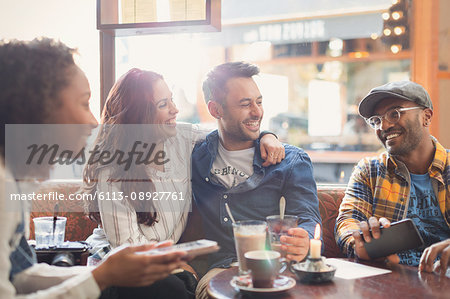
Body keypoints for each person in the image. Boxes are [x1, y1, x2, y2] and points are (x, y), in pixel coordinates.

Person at [0, 38, 190, 298]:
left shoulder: (15, 181)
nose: (92, 121)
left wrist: (103, 275)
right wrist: (102, 276)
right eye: (84, 102)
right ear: (37, 108)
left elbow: (20, 276)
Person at [81, 68, 284, 294]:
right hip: (116, 264)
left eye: (172, 100)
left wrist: (267, 135)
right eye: (163, 105)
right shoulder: (113, 171)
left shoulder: (182, 139)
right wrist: (174, 262)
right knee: (169, 289)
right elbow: (129, 249)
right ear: (138, 117)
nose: (175, 110)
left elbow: (229, 130)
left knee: (173, 288)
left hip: (162, 265)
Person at [191, 62, 322, 298]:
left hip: (276, 268)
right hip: (221, 269)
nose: (257, 112)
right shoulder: (195, 154)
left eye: (259, 102)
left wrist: (304, 239)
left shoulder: (290, 160)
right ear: (215, 109)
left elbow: (308, 219)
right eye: (245, 104)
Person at [335, 81, 450, 274]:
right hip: (392, 280)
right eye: (376, 120)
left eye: (394, 113)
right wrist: (359, 244)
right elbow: (348, 221)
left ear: (426, 116)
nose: (384, 126)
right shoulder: (369, 171)